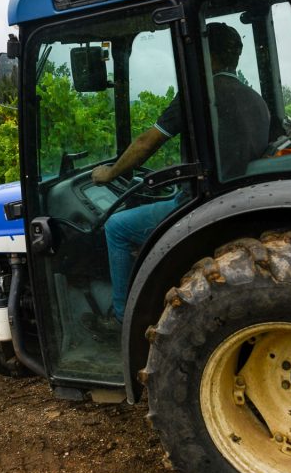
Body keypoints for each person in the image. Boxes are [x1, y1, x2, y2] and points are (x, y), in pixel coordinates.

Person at [91, 22, 270, 325]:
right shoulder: (256, 100)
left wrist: (110, 173)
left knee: (117, 228)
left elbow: (148, 142)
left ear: (204, 54)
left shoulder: (200, 95)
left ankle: (122, 321)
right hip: (230, 194)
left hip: (202, 201)